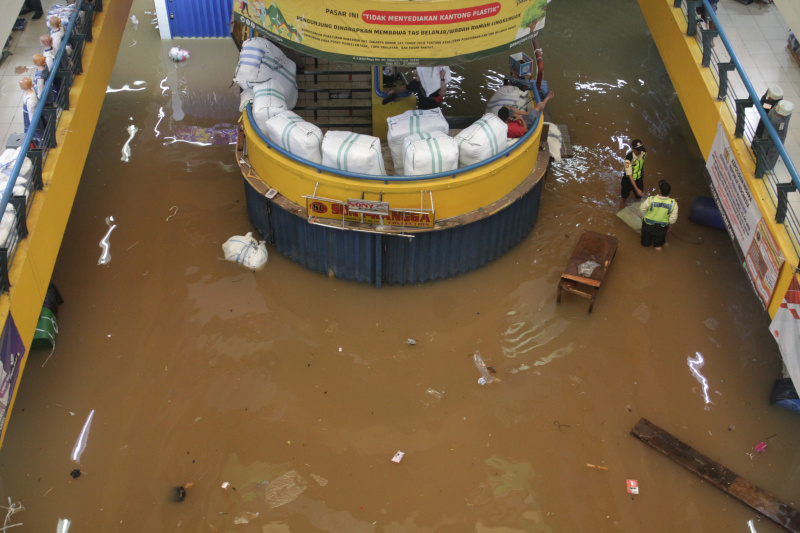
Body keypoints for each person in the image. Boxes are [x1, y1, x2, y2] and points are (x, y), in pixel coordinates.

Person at [382, 66, 451, 110]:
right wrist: (394, 90)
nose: (415, 75)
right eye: (414, 73)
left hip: (434, 111)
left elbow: (442, 92)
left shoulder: (432, 82)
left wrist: (442, 78)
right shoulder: (416, 83)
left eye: (416, 73)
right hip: (422, 110)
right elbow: (405, 88)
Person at [639, 180, 678, 251]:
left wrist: (645, 216)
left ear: (659, 190)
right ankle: (659, 258)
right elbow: (673, 219)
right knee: (658, 246)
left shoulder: (651, 199)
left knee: (645, 244)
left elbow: (642, 209)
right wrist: (669, 225)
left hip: (647, 226)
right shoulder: (673, 203)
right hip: (661, 228)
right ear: (669, 192)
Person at [620, 138, 646, 208]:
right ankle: (620, 208)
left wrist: (642, 172)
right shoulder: (628, 159)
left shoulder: (643, 152)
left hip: (639, 178)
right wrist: (636, 189)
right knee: (623, 197)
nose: (639, 152)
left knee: (639, 197)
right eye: (638, 150)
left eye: (640, 149)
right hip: (628, 180)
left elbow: (642, 162)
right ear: (633, 149)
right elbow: (630, 175)